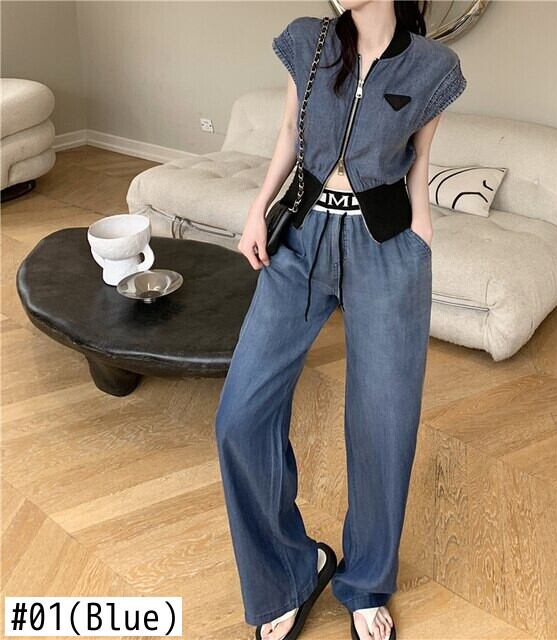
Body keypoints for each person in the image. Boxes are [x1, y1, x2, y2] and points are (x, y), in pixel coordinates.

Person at [214, 2, 467, 639]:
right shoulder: (309, 41)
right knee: (240, 417)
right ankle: (290, 571)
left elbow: (420, 165)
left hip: (385, 248)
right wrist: (257, 210)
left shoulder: (433, 66)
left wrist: (420, 243)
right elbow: (288, 134)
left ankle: (366, 582)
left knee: (384, 423)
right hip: (299, 239)